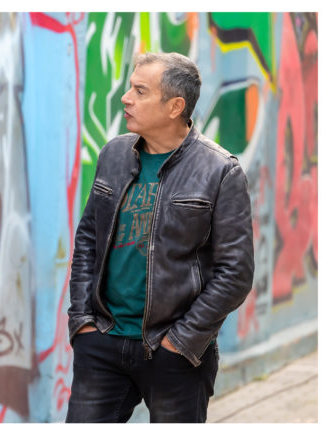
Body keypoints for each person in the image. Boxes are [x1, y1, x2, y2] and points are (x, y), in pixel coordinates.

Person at [66, 52, 254, 423]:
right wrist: (83, 321)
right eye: (130, 88)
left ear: (175, 107)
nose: (126, 98)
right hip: (103, 341)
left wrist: (182, 340)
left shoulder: (220, 171)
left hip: (174, 351)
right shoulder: (114, 154)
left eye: (140, 91)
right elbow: (88, 238)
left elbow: (236, 272)